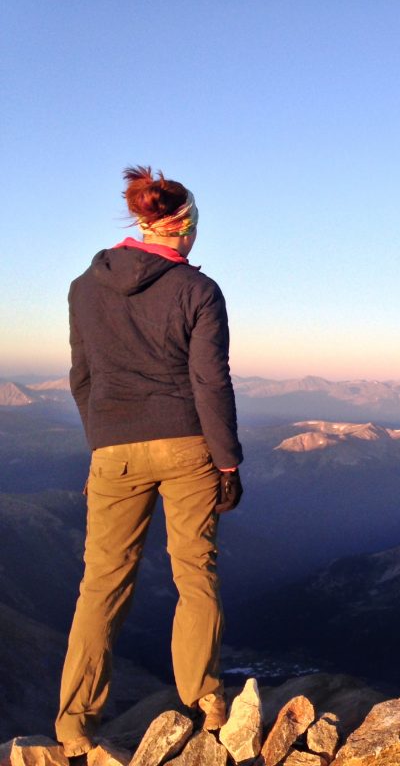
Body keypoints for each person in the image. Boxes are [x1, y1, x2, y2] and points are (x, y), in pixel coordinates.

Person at [55, 166, 244, 757]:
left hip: (113, 451)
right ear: (181, 226)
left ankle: (73, 724)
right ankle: (206, 700)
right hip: (188, 446)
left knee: (101, 586)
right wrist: (228, 463)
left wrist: (102, 444)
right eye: (194, 228)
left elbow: (81, 376)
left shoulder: (85, 287)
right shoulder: (197, 290)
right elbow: (210, 381)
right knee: (195, 570)